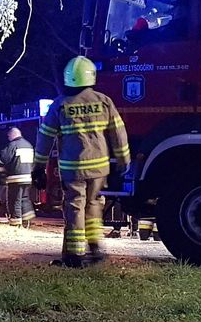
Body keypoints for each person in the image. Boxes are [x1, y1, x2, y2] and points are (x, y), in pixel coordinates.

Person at [32, 56, 130, 268]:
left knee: (75, 206)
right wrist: (124, 161)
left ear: (68, 78)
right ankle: (95, 248)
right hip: (99, 168)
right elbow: (118, 133)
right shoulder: (104, 101)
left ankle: (74, 256)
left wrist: (39, 167)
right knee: (93, 204)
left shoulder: (60, 105)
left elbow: (45, 137)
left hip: (73, 169)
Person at [0, 127, 36, 227]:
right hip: (28, 178)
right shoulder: (29, 145)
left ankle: (16, 221)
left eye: (8, 136)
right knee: (25, 198)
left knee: (14, 199)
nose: (8, 138)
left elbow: (3, 158)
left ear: (12, 134)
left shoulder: (13, 145)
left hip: (16, 178)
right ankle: (27, 219)